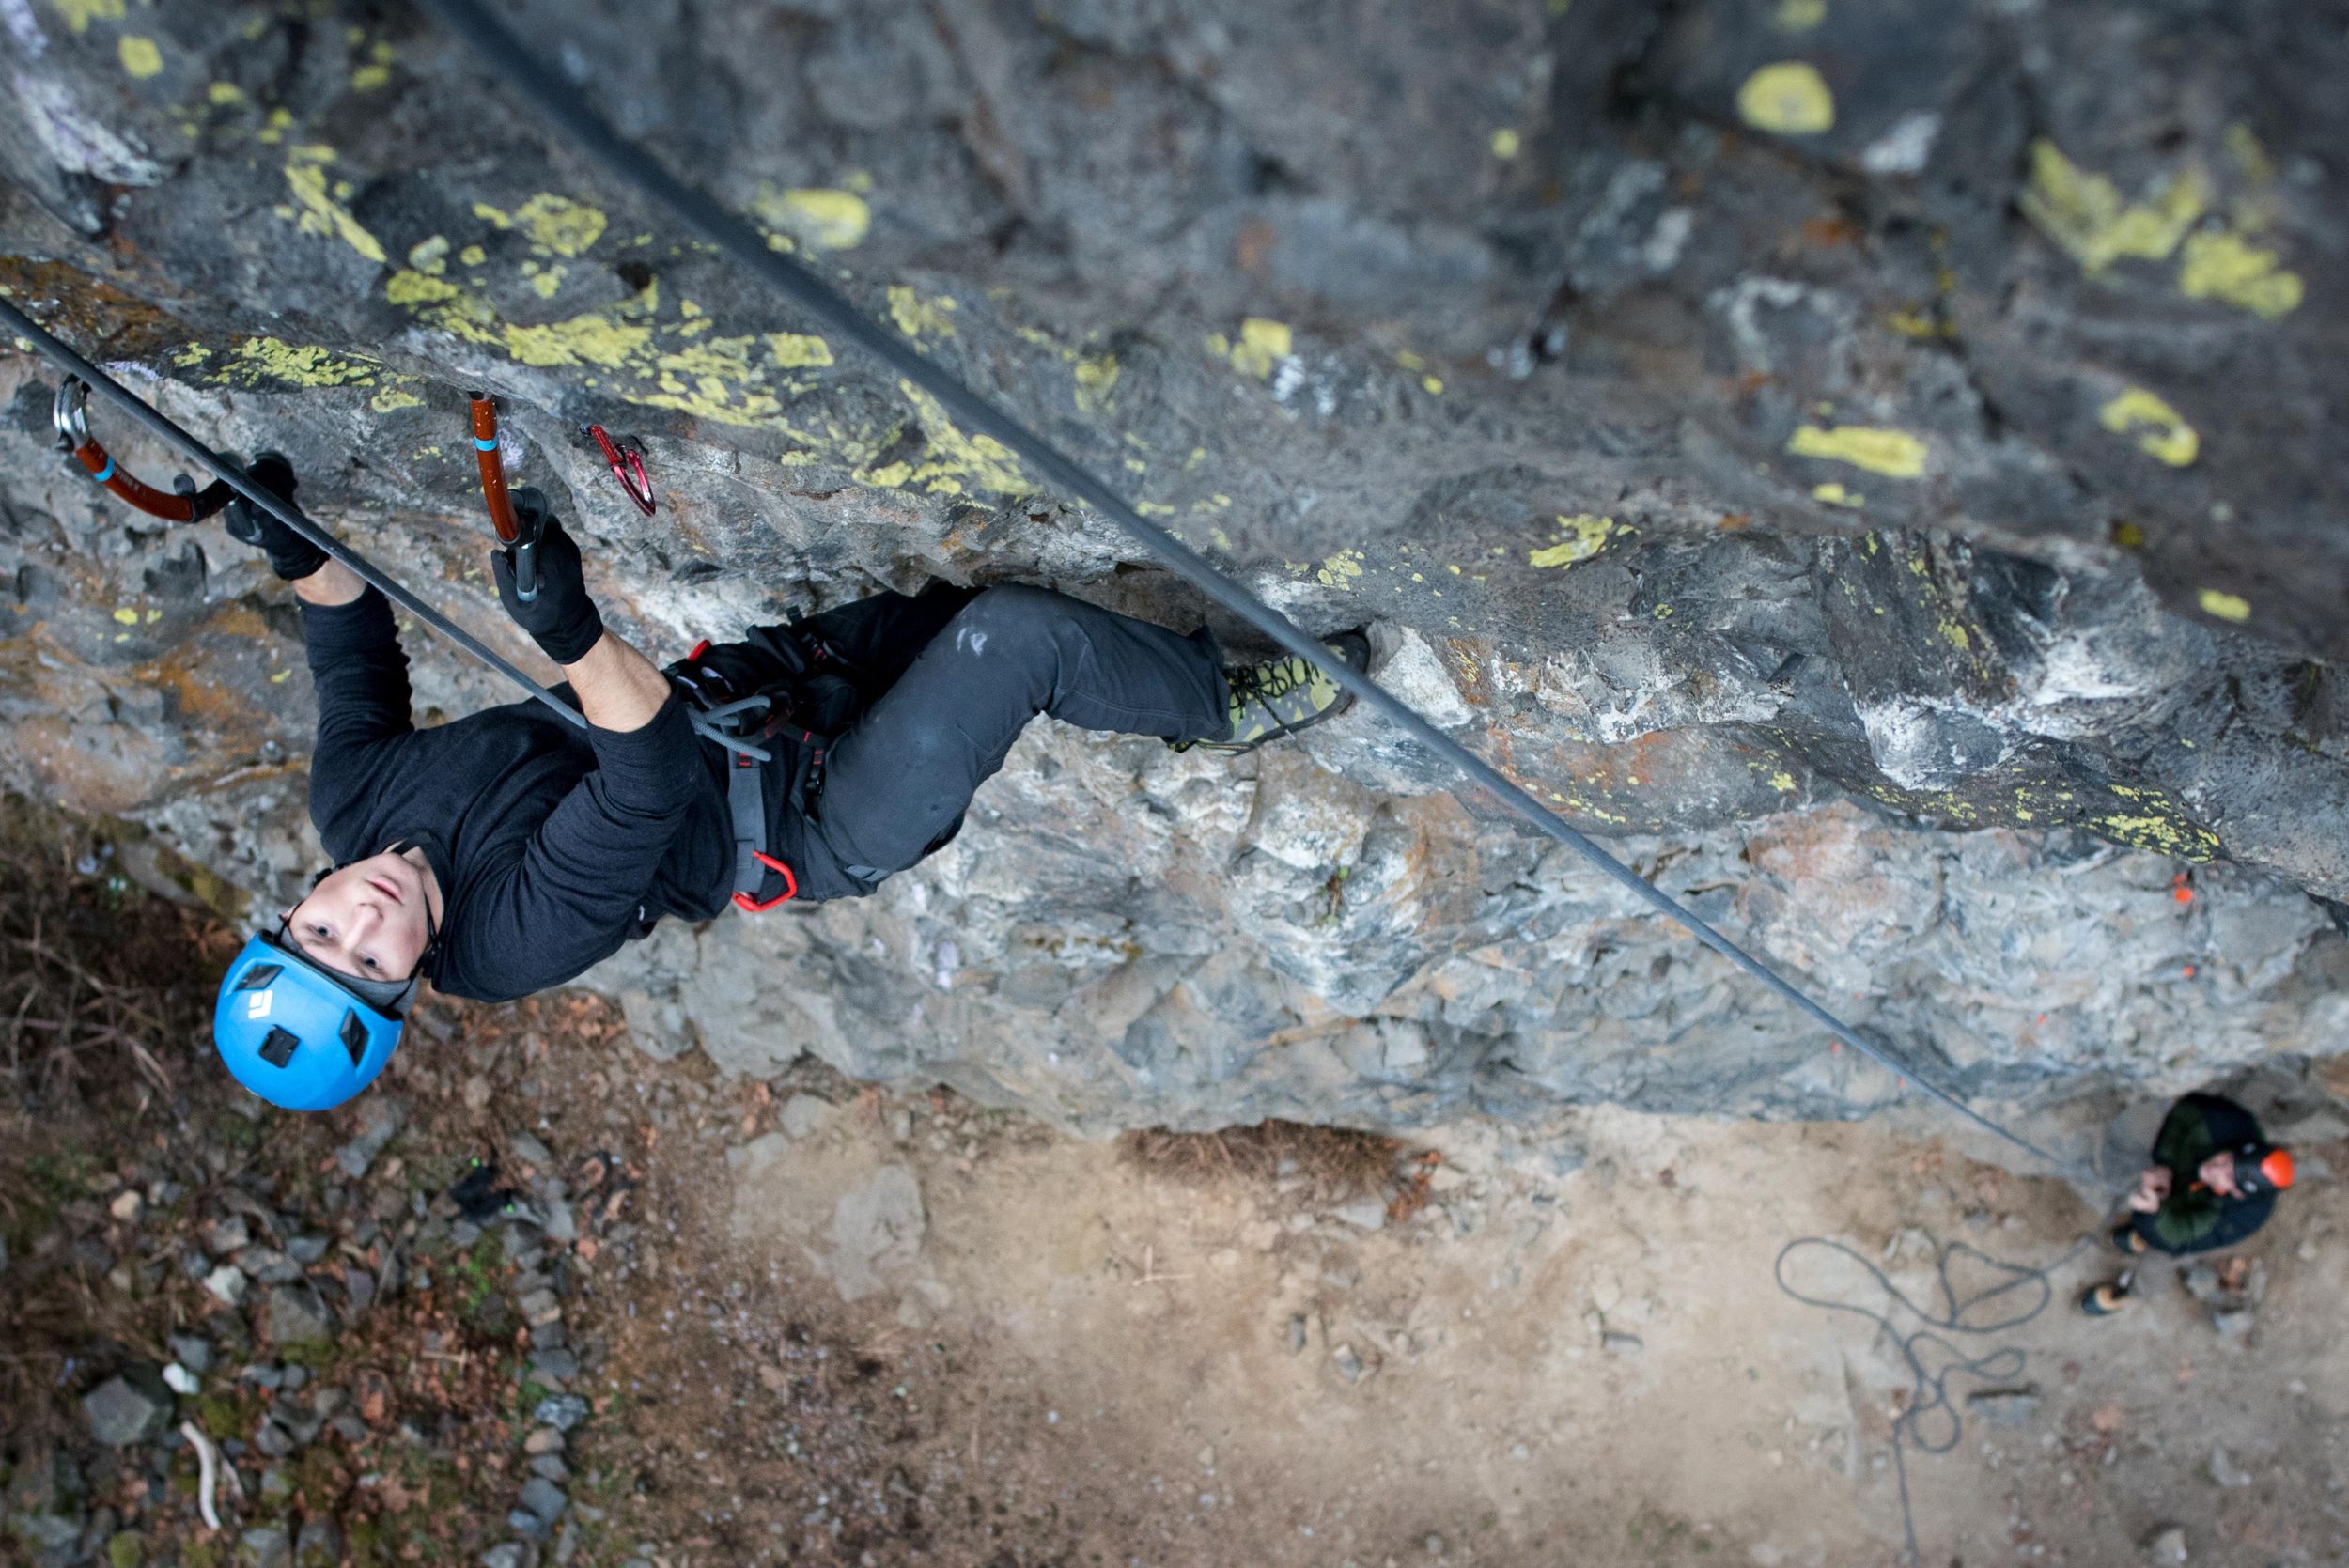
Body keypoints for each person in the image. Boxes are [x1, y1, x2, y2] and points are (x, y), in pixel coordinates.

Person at [210, 456, 1368, 1110]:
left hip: (765, 695)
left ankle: (1154, 674)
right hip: (815, 816)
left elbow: (353, 658)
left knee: (956, 609)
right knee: (1011, 641)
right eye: (368, 966)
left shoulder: (352, 800)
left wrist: (292, 546)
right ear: (408, 988)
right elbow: (644, 774)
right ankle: (1226, 707)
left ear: (297, 901)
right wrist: (570, 634)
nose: (363, 919)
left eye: (320, 928)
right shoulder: (510, 943)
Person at [2078, 1090, 2296, 1316]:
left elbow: (2177, 1237)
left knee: (2161, 1254)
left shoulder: (2239, 1218)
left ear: (2237, 1193)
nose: (2216, 1168)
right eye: (2228, 1160)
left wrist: (2152, 1214)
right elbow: (2184, 1114)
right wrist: (2165, 1162)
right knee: (2156, 1215)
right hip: (2182, 1181)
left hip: (2190, 1218)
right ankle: (2139, 1236)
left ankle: (2132, 1292)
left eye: (2229, 1177)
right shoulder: (2225, 1122)